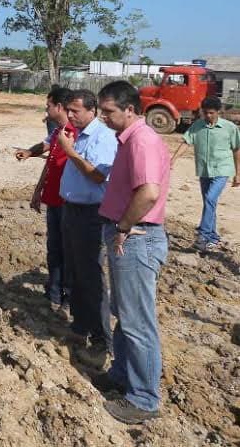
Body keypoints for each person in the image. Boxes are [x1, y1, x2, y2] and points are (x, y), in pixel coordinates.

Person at [94, 80, 171, 424]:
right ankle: (122, 376)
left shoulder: (141, 140)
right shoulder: (129, 139)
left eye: (108, 111)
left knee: (138, 323)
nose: (103, 117)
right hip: (130, 236)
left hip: (137, 238)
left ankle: (143, 399)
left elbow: (149, 193)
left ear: (130, 109)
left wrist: (124, 226)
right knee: (126, 315)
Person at [56, 89, 117, 368]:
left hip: (91, 215)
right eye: (68, 110)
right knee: (76, 272)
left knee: (91, 277)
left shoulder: (103, 138)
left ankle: (103, 341)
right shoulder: (74, 133)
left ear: (91, 111)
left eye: (75, 111)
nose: (69, 115)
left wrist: (70, 153)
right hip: (71, 211)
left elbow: (96, 175)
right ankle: (80, 328)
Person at [16, 86, 77, 311]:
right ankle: (53, 293)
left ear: (59, 107)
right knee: (54, 249)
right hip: (53, 200)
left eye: (48, 105)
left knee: (68, 251)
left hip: (68, 203)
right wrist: (37, 189)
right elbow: (47, 151)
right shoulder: (58, 131)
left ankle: (69, 297)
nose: (46, 109)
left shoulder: (76, 133)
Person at [172, 96, 240, 251]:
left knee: (210, 199)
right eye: (205, 113)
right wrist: (173, 159)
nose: (208, 116)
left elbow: (237, 150)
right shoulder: (197, 126)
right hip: (204, 170)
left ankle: (203, 235)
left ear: (218, 112)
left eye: (211, 113)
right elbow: (186, 142)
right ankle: (213, 238)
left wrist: (238, 173)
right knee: (210, 203)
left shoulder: (229, 128)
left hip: (222, 170)